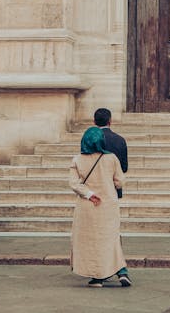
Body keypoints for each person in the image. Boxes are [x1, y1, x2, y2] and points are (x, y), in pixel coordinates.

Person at [69, 126, 132, 288]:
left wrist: (90, 194)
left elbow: (74, 184)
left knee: (91, 241)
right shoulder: (111, 158)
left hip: (87, 205)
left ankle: (98, 278)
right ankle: (122, 272)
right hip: (108, 205)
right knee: (111, 238)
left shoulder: (77, 159)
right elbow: (120, 181)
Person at [94, 108, 128, 199]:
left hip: (93, 186)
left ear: (94, 122)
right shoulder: (120, 140)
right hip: (112, 186)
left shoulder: (89, 140)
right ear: (110, 121)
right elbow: (124, 168)